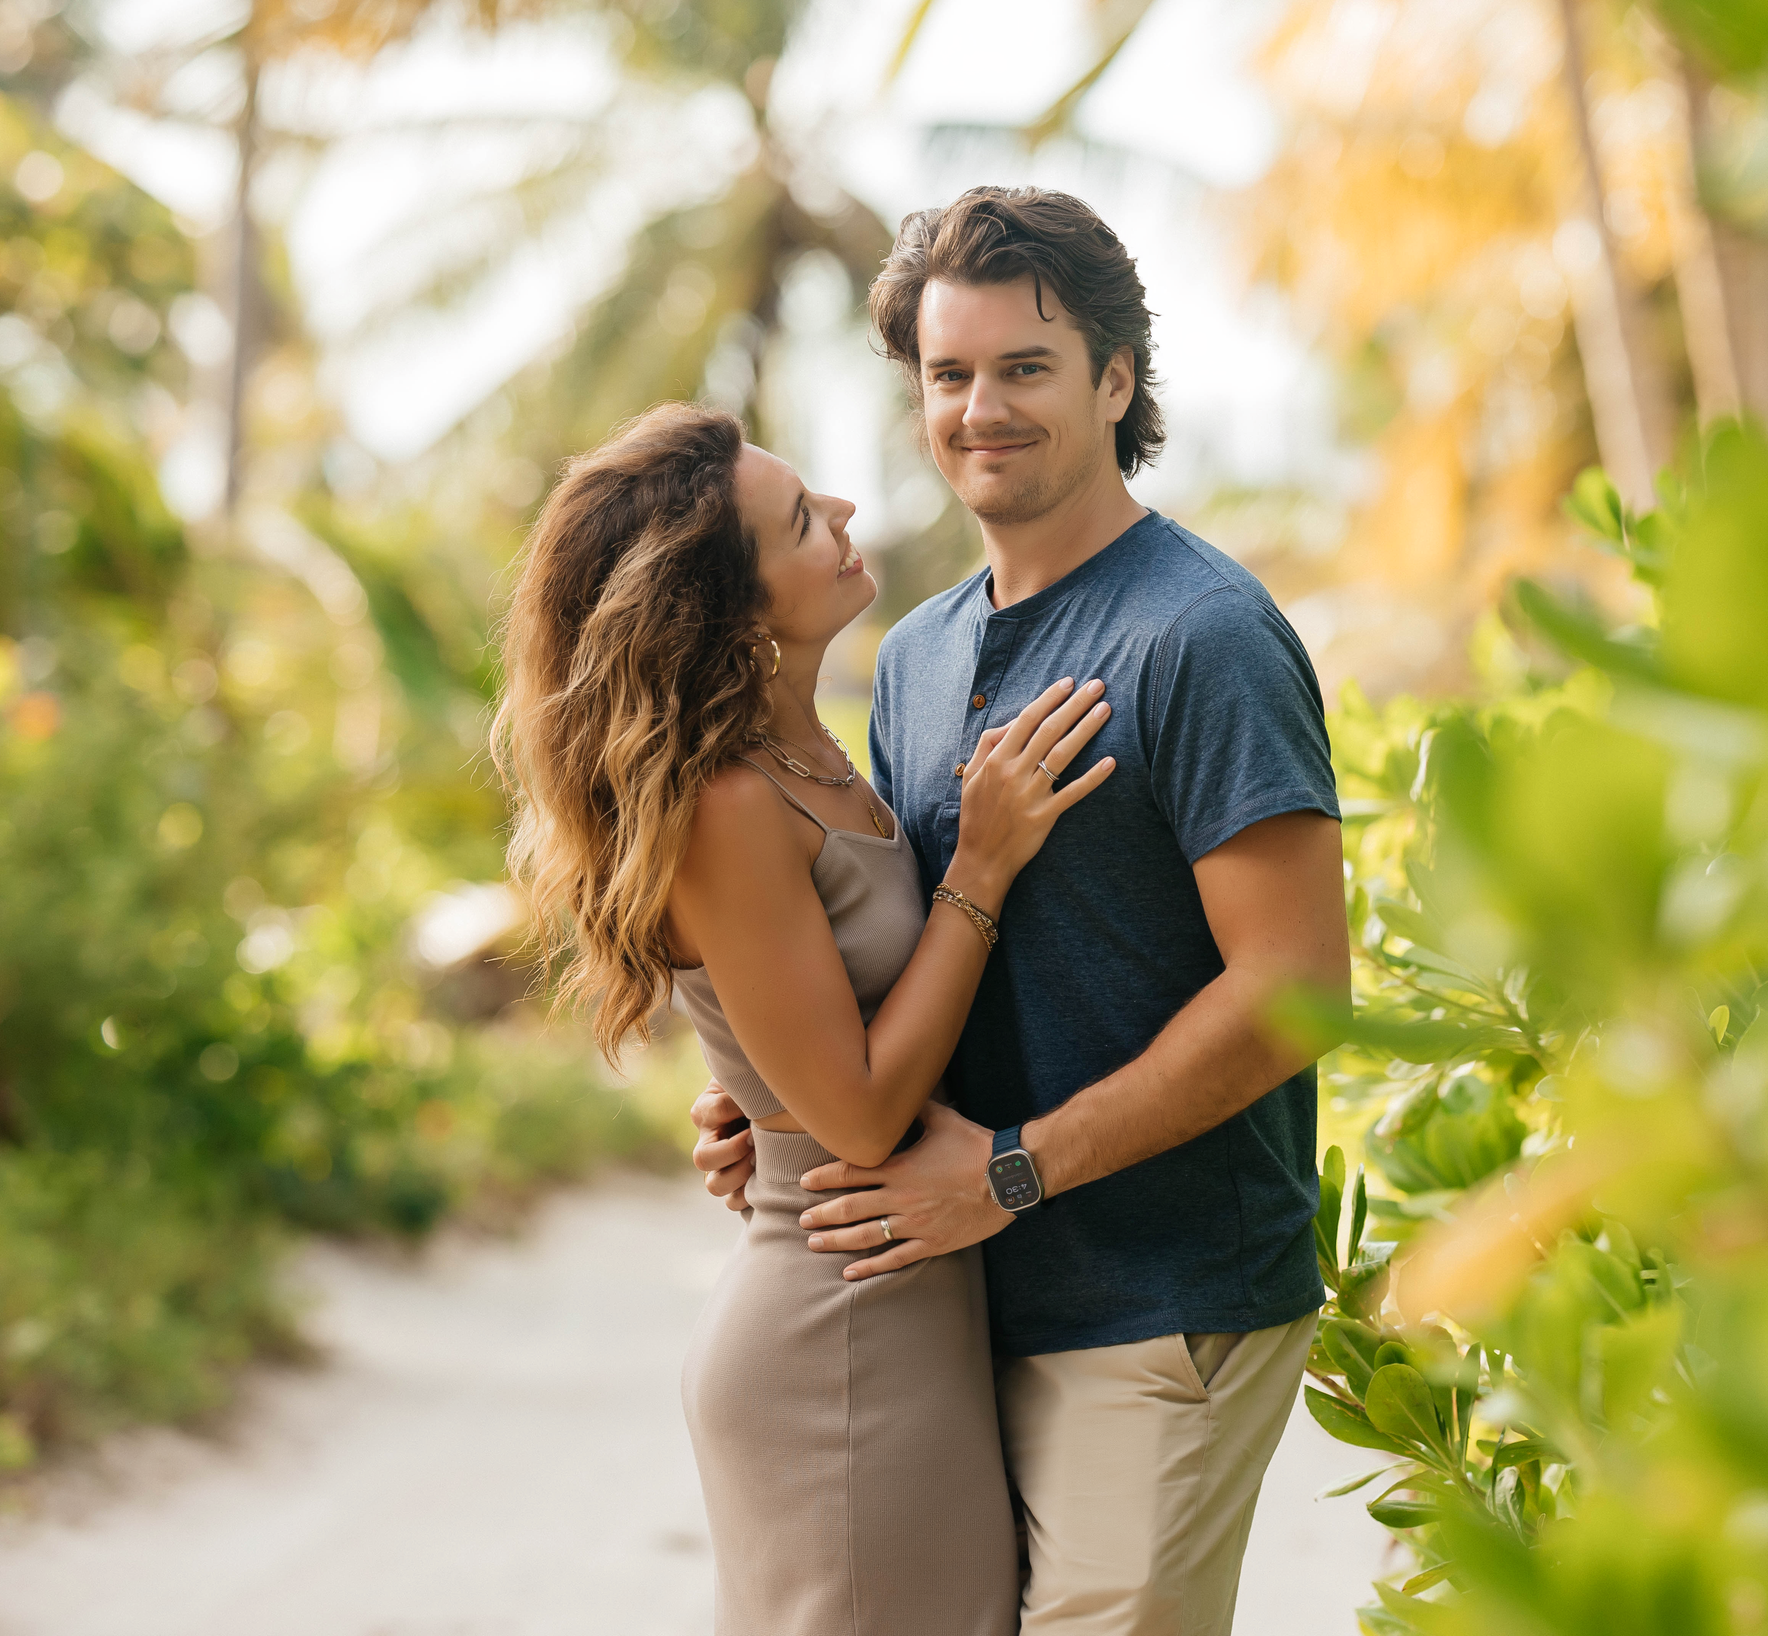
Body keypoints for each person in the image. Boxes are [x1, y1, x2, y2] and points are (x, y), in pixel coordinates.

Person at [690, 186, 1349, 1636]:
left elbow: (1296, 982)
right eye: (949, 373)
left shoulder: (1205, 636)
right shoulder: (918, 655)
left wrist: (1008, 1172)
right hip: (953, 1303)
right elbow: (897, 939)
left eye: (1026, 368)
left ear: (1118, 380)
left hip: (1160, 1302)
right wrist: (775, 1091)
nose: (981, 407)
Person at [494, 398, 1119, 1635]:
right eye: (798, 519)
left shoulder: (816, 756)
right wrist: (980, 869)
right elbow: (863, 1111)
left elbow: (820, 1030)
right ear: (726, 609)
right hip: (839, 1338)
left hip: (897, 1313)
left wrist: (757, 1099)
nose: (841, 513)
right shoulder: (728, 804)